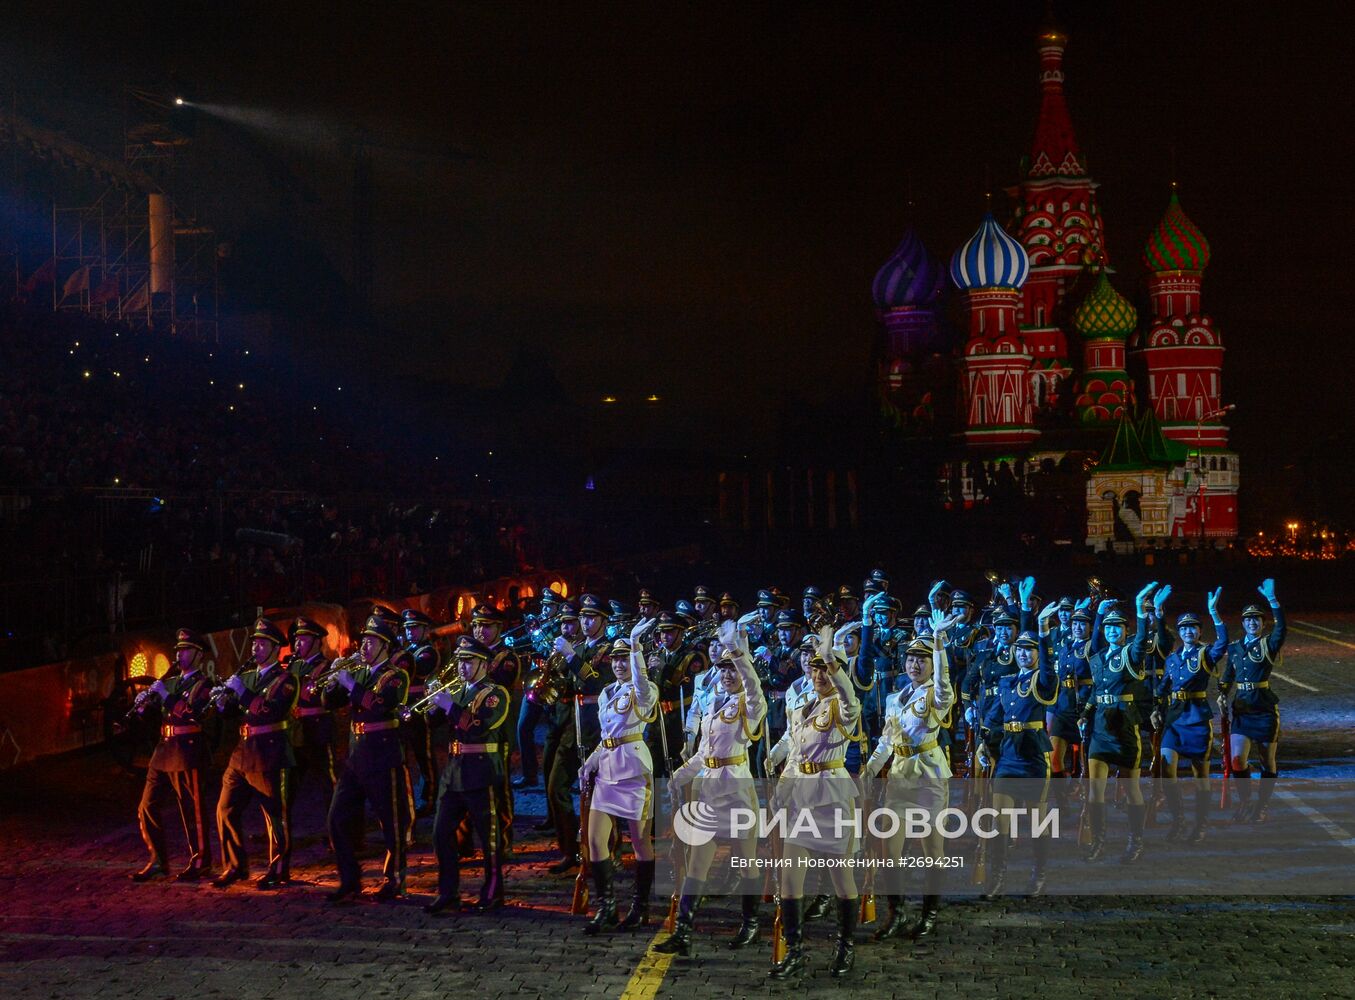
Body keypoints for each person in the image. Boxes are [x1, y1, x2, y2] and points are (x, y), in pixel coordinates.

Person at [657, 620, 767, 957]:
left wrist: (737, 651)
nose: (728, 674)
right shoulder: (713, 705)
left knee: (747, 861)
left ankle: (751, 924)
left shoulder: (751, 702)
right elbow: (705, 754)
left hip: (735, 789)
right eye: (722, 669)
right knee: (697, 863)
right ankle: (683, 931)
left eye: (733, 669)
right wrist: (678, 776)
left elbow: (753, 684)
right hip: (708, 788)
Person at [769, 623, 863, 980]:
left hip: (832, 798)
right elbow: (795, 755)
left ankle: (845, 947)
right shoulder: (802, 707)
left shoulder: (844, 706)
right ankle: (794, 951)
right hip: (801, 799)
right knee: (791, 880)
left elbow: (850, 695)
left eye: (827, 667)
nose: (820, 673)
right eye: (815, 666)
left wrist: (833, 662)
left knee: (841, 878)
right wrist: (781, 792)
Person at [864, 611, 959, 941]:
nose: (914, 665)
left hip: (929, 777)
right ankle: (897, 912)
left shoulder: (937, 694)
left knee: (933, 851)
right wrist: (870, 771)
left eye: (921, 659)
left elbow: (945, 683)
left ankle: (929, 914)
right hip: (900, 778)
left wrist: (937, 644)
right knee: (890, 851)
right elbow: (886, 741)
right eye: (910, 659)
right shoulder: (894, 697)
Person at [579, 620, 660, 933]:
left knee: (640, 842)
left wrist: (637, 645)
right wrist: (589, 763)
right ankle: (607, 906)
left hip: (633, 770)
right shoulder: (607, 692)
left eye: (624, 659)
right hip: (608, 768)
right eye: (615, 659)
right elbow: (606, 736)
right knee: (595, 840)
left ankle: (640, 907)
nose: (619, 664)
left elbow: (641, 685)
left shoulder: (645, 690)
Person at [324, 615, 413, 902]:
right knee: (336, 818)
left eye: (371, 641)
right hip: (356, 756)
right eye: (363, 641)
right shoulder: (359, 672)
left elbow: (381, 705)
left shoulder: (395, 675)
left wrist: (350, 684)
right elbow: (330, 703)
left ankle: (395, 879)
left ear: (385, 646)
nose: (364, 646)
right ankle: (350, 879)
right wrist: (332, 683)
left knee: (392, 823)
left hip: (383, 755)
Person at [424, 636, 513, 914]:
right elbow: (432, 722)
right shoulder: (458, 691)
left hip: (481, 770)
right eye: (461, 661)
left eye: (469, 661)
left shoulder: (494, 693)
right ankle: (448, 892)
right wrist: (435, 703)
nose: (462, 667)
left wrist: (449, 705)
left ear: (483, 664)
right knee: (440, 834)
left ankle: (492, 893)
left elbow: (478, 727)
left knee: (489, 838)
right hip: (454, 771)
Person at [981, 604, 1060, 898]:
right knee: (1000, 819)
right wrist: (983, 741)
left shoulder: (1042, 680)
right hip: (1008, 756)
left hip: (1032, 756)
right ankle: (997, 875)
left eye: (1030, 650)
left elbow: (1050, 669)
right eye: (1021, 650)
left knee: (1036, 821)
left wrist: (1042, 630)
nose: (1024, 654)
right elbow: (994, 716)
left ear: (1037, 653)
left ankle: (1038, 873)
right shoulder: (1007, 681)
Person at [214, 617, 299, 890]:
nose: (256, 648)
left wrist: (242, 693)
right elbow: (233, 714)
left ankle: (279, 868)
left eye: (262, 644)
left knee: (274, 815)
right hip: (242, 752)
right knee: (225, 809)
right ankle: (236, 865)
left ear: (275, 648)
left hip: (269, 751)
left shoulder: (286, 679)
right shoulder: (247, 677)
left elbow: (271, 710)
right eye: (255, 643)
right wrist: (223, 702)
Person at [1079, 582, 1158, 863]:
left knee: (1132, 787)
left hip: (1124, 727)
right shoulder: (1099, 657)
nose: (1113, 630)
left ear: (1126, 631)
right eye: (1108, 627)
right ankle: (1098, 841)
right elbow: (1095, 689)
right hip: (1100, 728)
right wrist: (1084, 713)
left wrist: (1138, 608)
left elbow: (1141, 643)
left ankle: (1135, 841)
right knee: (1095, 791)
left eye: (1118, 627)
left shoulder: (1131, 655)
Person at [131, 628, 216, 882]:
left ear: (199, 655)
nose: (180, 654)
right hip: (164, 749)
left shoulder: (204, 684)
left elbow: (193, 712)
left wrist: (165, 696)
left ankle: (201, 860)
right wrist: (143, 704)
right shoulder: (169, 681)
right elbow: (154, 714)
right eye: (178, 650)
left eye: (186, 650)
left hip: (188, 748)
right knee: (146, 806)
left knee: (193, 809)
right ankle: (157, 860)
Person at [1153, 589, 1228, 842]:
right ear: (1179, 632)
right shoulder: (1173, 658)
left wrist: (1214, 612)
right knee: (1166, 769)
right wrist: (1155, 708)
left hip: (1196, 720)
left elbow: (1223, 644)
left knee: (1200, 775)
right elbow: (1163, 686)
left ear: (1199, 632)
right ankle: (1178, 820)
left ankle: (1201, 824)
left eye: (1193, 628)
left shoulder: (1205, 654)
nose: (1188, 632)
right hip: (1174, 721)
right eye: (1184, 628)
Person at [544, 595, 611, 873]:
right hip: (573, 725)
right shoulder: (579, 646)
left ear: (604, 621)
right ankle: (571, 849)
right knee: (555, 786)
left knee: (601, 792)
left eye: (592, 617)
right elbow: (566, 683)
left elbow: (596, 681)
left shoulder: (610, 649)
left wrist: (570, 656)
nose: (585, 622)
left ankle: (605, 850)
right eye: (583, 617)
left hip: (598, 725)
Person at [1219, 579, 1287, 822]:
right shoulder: (1236, 647)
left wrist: (1272, 600)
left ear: (1262, 622)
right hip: (1242, 709)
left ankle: (1262, 805)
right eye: (1248, 619)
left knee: (1267, 761)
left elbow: (1282, 630)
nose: (1252, 622)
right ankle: (1246, 800)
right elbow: (1228, 675)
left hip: (1264, 708)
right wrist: (1222, 693)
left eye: (1256, 619)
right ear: (1243, 622)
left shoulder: (1268, 643)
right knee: (1237, 759)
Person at [471, 604, 522, 856]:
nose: (480, 630)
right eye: (477, 625)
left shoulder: (506, 657)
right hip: (470, 730)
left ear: (498, 628)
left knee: (499, 787)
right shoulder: (467, 655)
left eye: (486, 625)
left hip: (498, 730)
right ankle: (464, 843)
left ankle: (503, 841)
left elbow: (493, 686)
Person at [287, 617, 338, 821]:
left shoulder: (326, 666)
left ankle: (337, 828)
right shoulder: (293, 666)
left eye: (304, 639)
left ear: (317, 641)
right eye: (297, 639)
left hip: (319, 729)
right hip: (297, 730)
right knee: (288, 783)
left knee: (328, 781)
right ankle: (281, 831)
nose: (298, 644)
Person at [647, 611, 704, 778]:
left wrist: (665, 668)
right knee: (654, 769)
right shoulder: (657, 655)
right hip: (658, 719)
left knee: (679, 770)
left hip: (679, 719)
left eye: (670, 631)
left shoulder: (693, 657)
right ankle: (655, 804)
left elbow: (689, 684)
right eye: (662, 632)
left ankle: (681, 805)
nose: (665, 636)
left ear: (681, 632)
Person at [400, 609, 442, 817]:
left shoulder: (428, 651)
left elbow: (416, 670)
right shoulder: (408, 649)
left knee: (424, 756)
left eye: (414, 628)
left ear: (425, 630)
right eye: (407, 628)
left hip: (419, 707)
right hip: (403, 707)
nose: (410, 632)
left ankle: (431, 798)